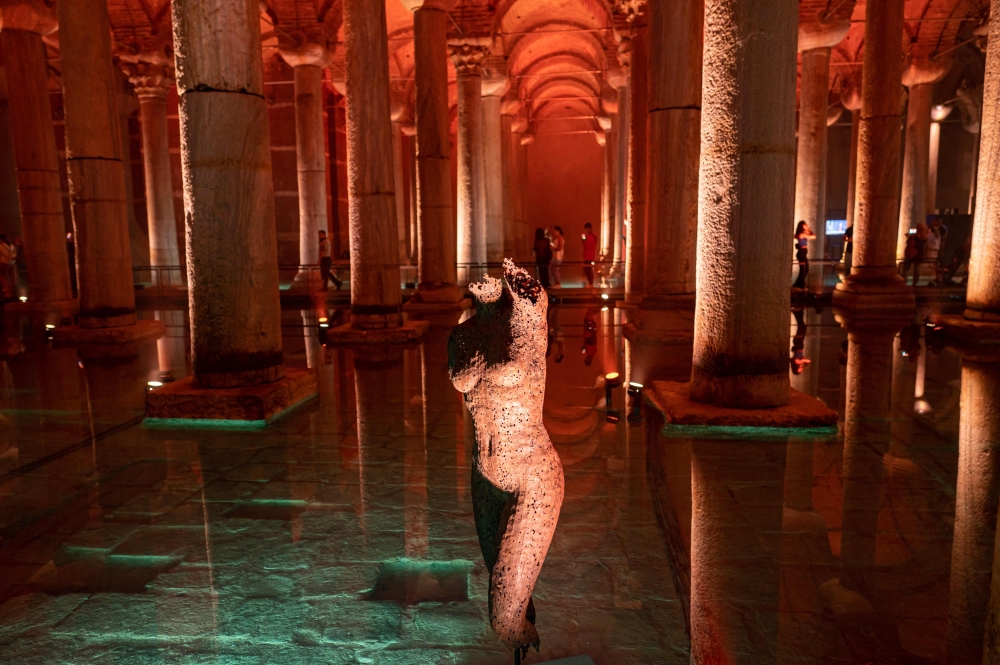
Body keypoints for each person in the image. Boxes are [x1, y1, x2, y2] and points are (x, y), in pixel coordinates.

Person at [792, 220, 816, 290]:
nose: (807, 225)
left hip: (803, 252)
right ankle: (799, 284)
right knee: (804, 269)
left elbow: (812, 235)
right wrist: (808, 229)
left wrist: (807, 229)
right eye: (805, 224)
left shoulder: (803, 233)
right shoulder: (802, 234)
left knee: (804, 269)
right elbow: (813, 236)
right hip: (801, 252)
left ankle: (798, 284)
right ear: (802, 226)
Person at [0, 234, 15, 304]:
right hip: (11, 263)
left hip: (2, 262)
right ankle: (8, 292)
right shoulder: (11, 246)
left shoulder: (1, 246)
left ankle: (5, 289)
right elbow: (14, 255)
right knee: (8, 277)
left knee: (1, 276)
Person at [581, 223, 597, 287]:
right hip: (592, 255)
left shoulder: (589, 237)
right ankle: (591, 283)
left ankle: (590, 283)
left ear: (588, 228)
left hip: (587, 255)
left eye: (586, 229)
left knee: (587, 269)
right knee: (589, 269)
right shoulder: (594, 236)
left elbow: (586, 245)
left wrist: (583, 240)